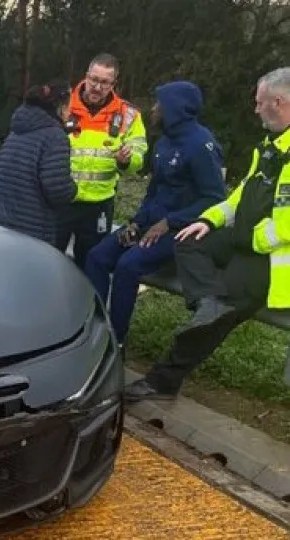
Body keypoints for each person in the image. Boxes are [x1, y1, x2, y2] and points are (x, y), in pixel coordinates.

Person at [126, 66, 290, 402]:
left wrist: (255, 239)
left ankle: (163, 381)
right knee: (188, 239)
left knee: (215, 320)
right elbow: (240, 196)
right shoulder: (271, 146)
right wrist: (209, 221)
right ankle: (208, 301)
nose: (255, 109)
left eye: (260, 102)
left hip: (268, 259)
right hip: (242, 238)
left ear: (279, 102)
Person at [84, 81, 226, 348]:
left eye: (160, 104)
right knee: (97, 257)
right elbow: (154, 190)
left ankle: (115, 341)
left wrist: (169, 222)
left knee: (128, 266)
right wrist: (136, 222)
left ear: (175, 109)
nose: (153, 109)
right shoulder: (163, 142)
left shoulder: (201, 146)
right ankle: (95, 326)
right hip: (149, 224)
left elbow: (214, 198)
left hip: (179, 231)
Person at [55, 53, 148, 268]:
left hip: (99, 205)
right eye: (94, 80)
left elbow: (139, 156)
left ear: (114, 84)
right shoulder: (63, 105)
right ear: (86, 76)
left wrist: (126, 160)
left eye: (105, 83)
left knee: (90, 264)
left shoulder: (128, 115)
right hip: (61, 200)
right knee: (49, 259)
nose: (97, 87)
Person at [0, 81, 76, 245]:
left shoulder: (17, 130)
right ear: (60, 107)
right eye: (69, 105)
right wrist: (73, 190)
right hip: (29, 228)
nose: (70, 111)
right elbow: (57, 188)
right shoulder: (55, 136)